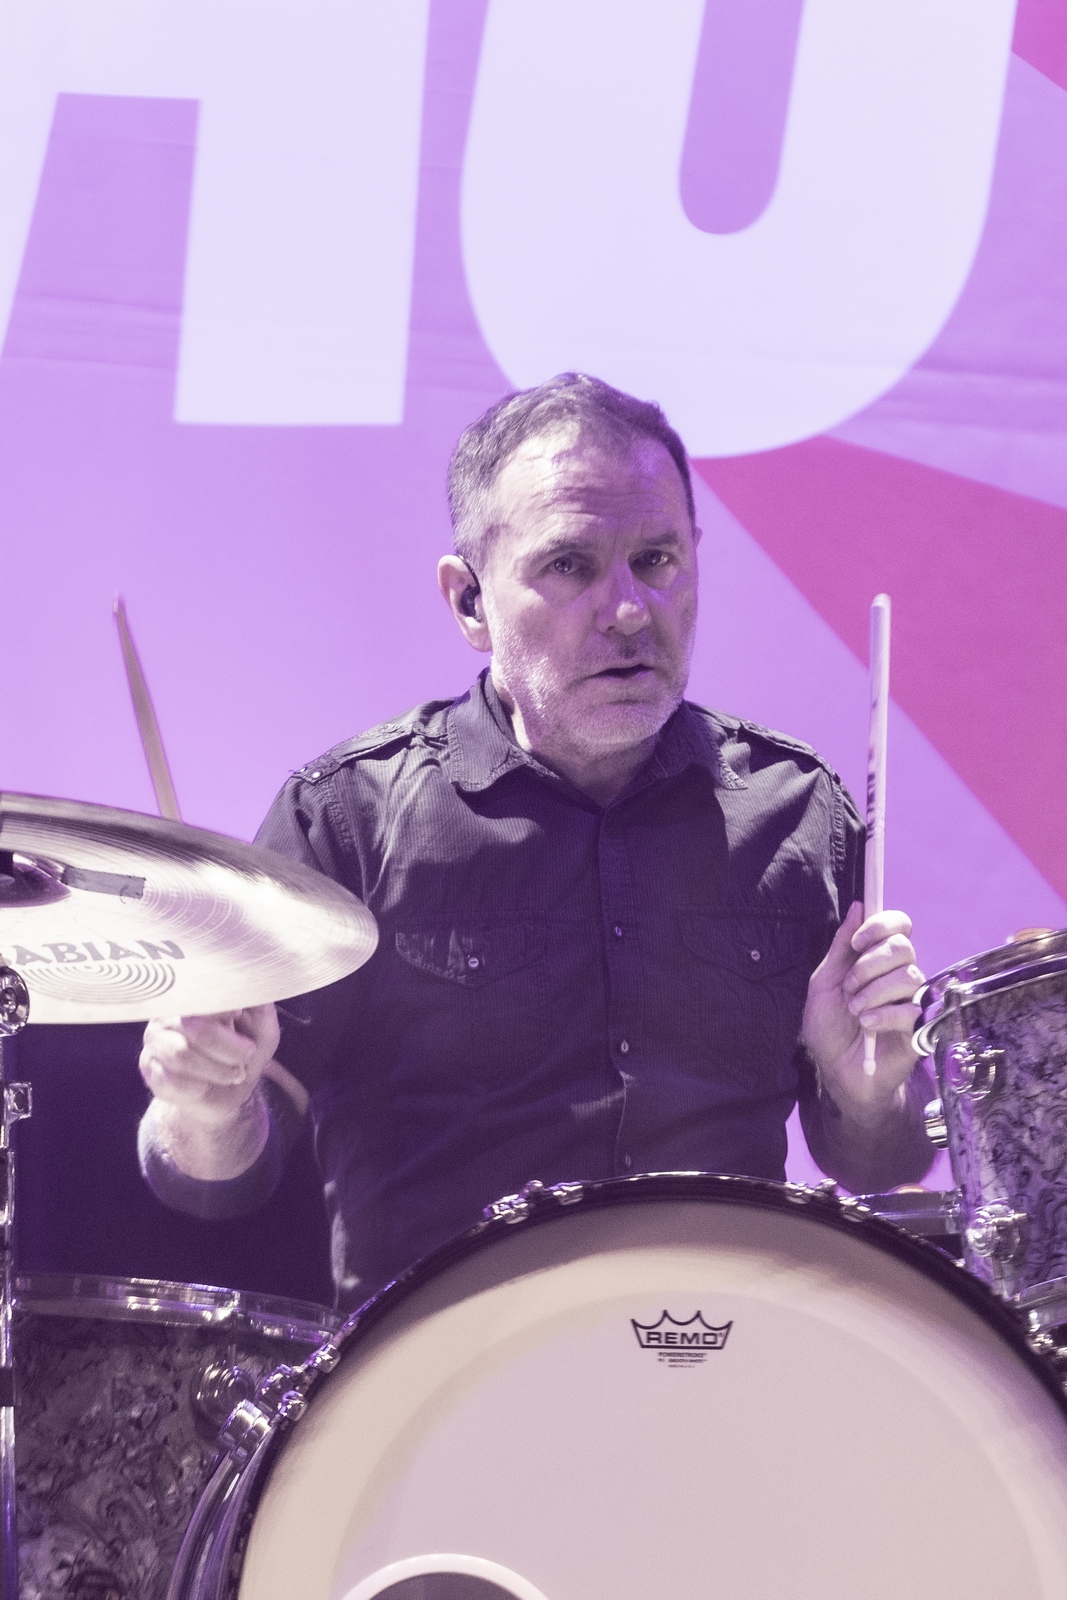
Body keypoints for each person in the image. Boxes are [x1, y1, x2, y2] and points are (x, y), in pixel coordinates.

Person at [138, 374, 934, 1307]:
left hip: (716, 1349)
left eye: (656, 559)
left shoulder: (797, 810)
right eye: (569, 565)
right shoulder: (348, 818)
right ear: (469, 602)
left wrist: (868, 1093)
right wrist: (203, 1105)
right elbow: (215, 1180)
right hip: (443, 1365)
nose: (628, 609)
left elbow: (880, 1161)